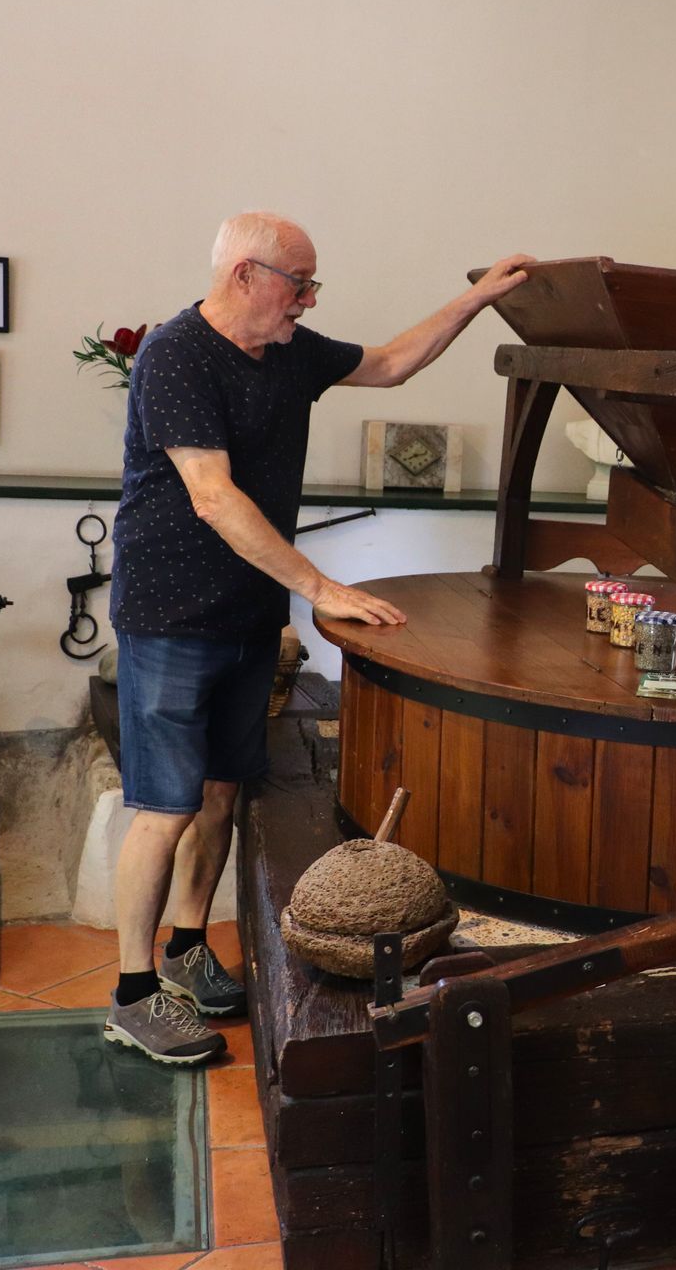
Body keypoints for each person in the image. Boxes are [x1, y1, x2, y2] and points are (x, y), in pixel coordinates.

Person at [101, 210, 531, 1064]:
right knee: (164, 807)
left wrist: (476, 300)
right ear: (243, 277)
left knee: (222, 793)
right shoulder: (175, 354)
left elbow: (393, 362)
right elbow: (214, 498)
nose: (307, 299)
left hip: (248, 614)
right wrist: (322, 586)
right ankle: (132, 992)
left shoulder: (290, 353)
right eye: (298, 283)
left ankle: (188, 947)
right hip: (170, 617)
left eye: (310, 285)